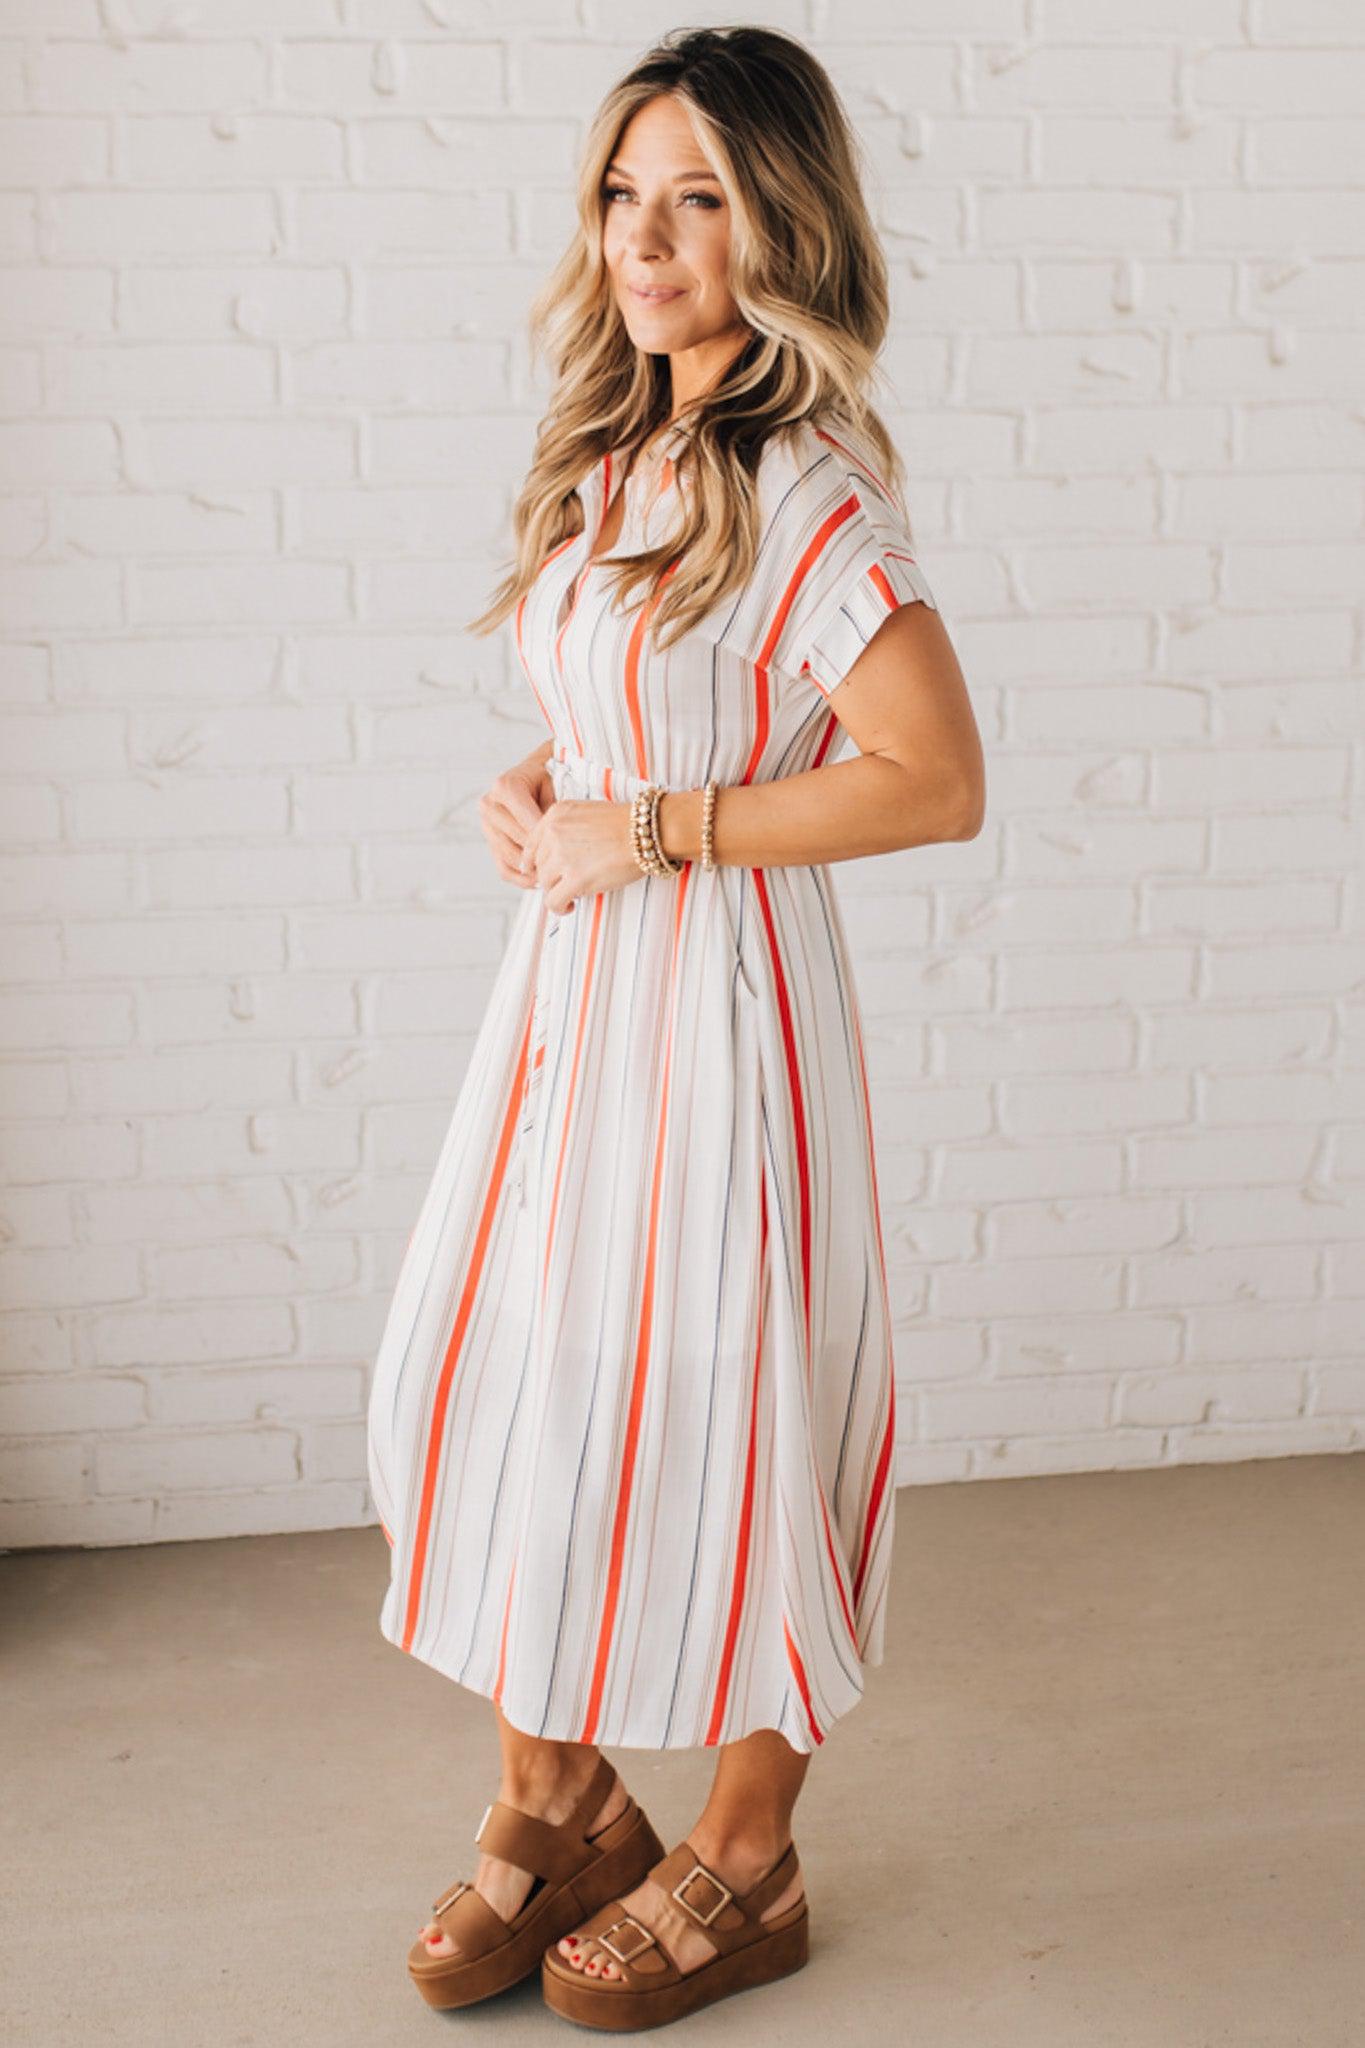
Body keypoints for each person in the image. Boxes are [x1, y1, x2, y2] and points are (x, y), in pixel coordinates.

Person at [366, 23, 985, 2032]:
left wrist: (654, 826)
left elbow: (927, 773)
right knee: (509, 1374)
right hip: (573, 991)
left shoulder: (801, 485)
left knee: (735, 1391)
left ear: (778, 220)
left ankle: (743, 1850)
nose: (648, 237)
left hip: (720, 1006)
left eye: (700, 195)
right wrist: (545, 786)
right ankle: (557, 1803)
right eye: (626, 193)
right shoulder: (616, 449)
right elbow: (642, 698)